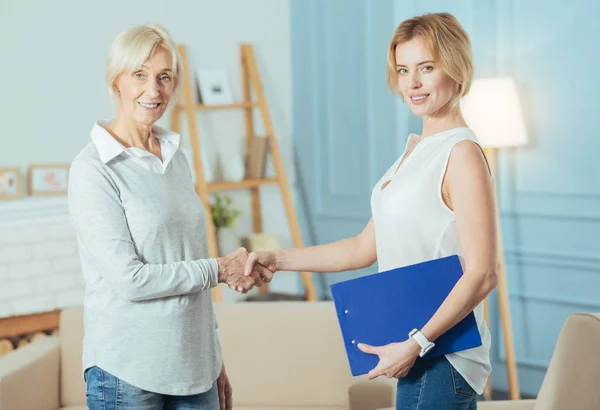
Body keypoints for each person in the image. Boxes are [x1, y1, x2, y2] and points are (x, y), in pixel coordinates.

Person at [244, 12, 496, 410]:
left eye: (426, 68)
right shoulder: (415, 152)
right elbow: (363, 247)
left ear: (457, 67)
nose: (411, 83)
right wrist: (277, 259)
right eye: (402, 70)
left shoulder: (460, 154)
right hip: (415, 348)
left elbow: (483, 273)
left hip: (441, 356)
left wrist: (417, 344)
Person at [68, 24, 272, 410]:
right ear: (116, 81)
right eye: (140, 75)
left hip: (195, 368)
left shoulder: (175, 157)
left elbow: (188, 255)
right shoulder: (93, 169)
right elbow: (129, 280)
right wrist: (219, 269)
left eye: (164, 77)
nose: (153, 90)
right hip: (126, 372)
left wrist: (213, 359)